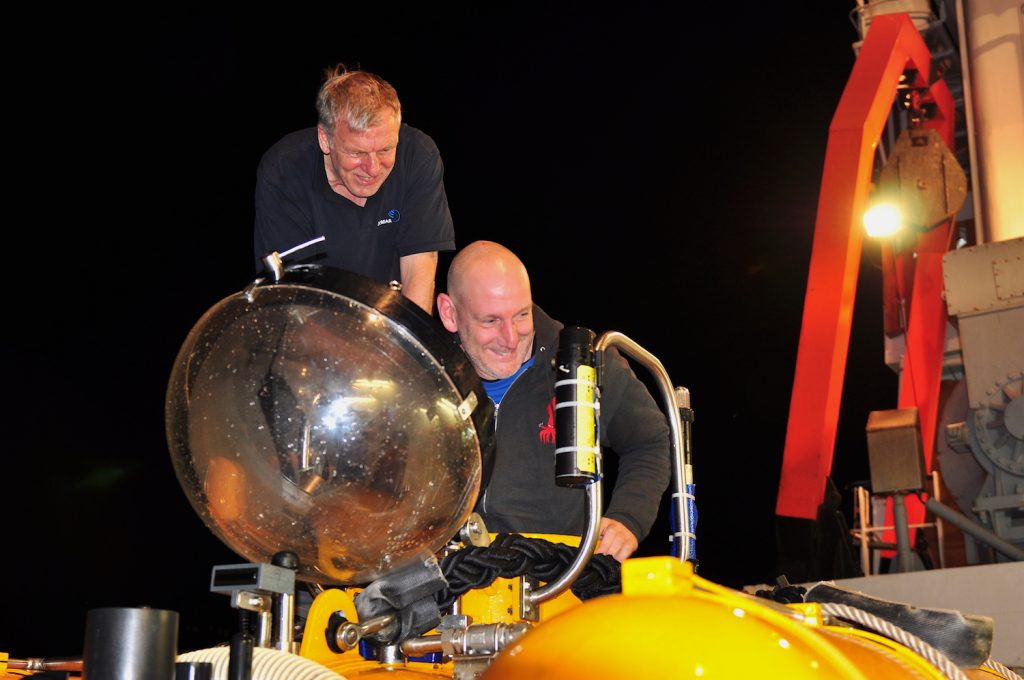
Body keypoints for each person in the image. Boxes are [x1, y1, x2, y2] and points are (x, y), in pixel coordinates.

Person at [436, 241, 672, 561]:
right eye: (490, 321)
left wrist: (628, 518)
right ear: (450, 313)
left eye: (521, 315)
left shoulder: (583, 365)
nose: (510, 338)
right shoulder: (422, 373)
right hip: (448, 575)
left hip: (558, 574)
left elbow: (651, 440)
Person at [253, 64, 455, 313]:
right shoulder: (284, 170)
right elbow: (294, 297)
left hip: (390, 324)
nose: (372, 168)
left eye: (385, 150)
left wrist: (406, 347)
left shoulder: (417, 155)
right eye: (357, 152)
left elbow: (419, 272)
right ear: (325, 139)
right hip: (314, 322)